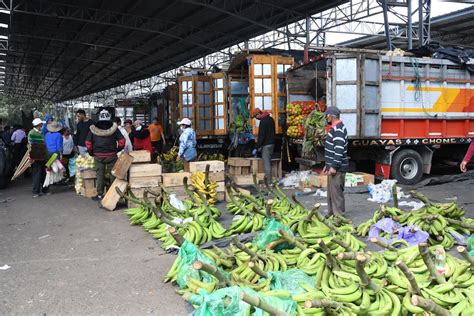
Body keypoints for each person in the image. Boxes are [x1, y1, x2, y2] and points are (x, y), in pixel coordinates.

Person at [85, 109, 125, 201]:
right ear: (109, 117)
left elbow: (88, 142)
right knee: (113, 175)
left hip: (98, 156)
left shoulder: (93, 129)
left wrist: (91, 152)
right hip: (112, 155)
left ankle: (100, 195)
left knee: (100, 175)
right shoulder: (114, 129)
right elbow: (122, 142)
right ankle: (114, 194)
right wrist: (117, 149)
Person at [323, 106, 349, 217]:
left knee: (336, 194)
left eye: (327, 115)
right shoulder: (335, 128)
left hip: (337, 168)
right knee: (331, 193)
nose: (326, 118)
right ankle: (331, 214)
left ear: (331, 116)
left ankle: (339, 216)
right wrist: (327, 165)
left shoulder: (338, 130)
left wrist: (333, 166)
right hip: (332, 167)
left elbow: (339, 150)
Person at [252, 108, 276, 184]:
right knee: (269, 161)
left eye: (256, 117)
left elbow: (261, 137)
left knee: (266, 163)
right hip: (272, 144)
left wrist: (256, 147)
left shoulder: (263, 122)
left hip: (266, 145)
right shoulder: (271, 119)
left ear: (258, 114)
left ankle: (269, 182)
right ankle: (267, 179)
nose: (256, 119)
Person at [28, 118, 50, 197]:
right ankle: (36, 191)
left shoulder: (41, 133)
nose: (42, 126)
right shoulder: (32, 133)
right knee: (37, 174)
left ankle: (44, 190)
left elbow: (44, 146)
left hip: (42, 156)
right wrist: (31, 157)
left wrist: (47, 156)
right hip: (36, 157)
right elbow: (30, 145)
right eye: (41, 124)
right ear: (38, 125)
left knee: (43, 173)